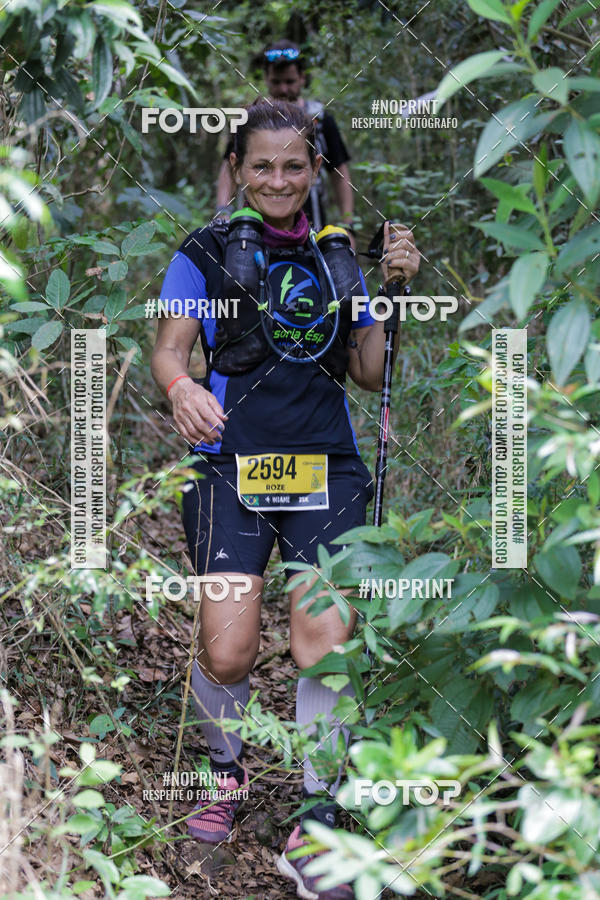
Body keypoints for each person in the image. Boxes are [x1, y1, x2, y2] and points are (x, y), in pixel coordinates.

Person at [151, 100, 419, 899]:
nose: (277, 179)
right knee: (228, 648)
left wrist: (396, 290)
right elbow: (170, 346)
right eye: (261, 165)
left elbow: (369, 372)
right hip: (230, 466)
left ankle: (321, 809)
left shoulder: (338, 259)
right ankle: (225, 773)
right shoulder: (202, 251)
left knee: (323, 636)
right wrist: (179, 389)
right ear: (237, 168)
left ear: (313, 173)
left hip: (325, 468)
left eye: (293, 166)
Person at [216, 40, 355, 233]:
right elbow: (228, 167)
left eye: (289, 82)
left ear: (302, 78)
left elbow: (339, 172)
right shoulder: (250, 121)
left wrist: (348, 225)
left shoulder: (320, 119)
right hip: (254, 230)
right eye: (276, 82)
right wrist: (223, 211)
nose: (283, 89)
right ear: (266, 79)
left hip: (312, 224)